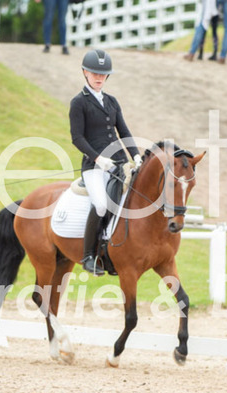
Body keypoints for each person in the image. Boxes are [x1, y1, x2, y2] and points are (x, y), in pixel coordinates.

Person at [69, 50, 142, 276]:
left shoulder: (112, 101)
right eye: (94, 74)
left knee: (132, 201)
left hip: (119, 163)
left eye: (103, 74)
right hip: (93, 167)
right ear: (85, 73)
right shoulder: (78, 102)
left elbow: (124, 131)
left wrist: (136, 156)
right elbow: (77, 138)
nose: (99, 78)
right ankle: (88, 256)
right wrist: (98, 158)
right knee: (101, 205)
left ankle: (120, 251)